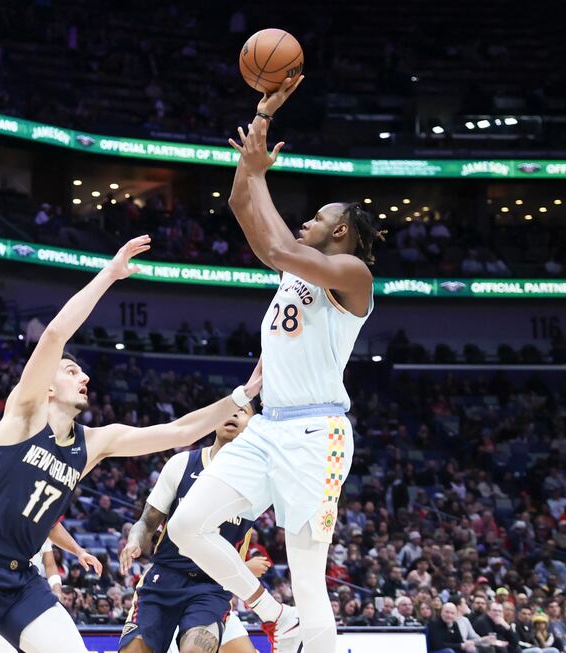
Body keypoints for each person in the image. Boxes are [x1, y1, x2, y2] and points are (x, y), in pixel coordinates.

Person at [0, 236, 262, 653]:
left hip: (22, 581)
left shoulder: (94, 442)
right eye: (71, 371)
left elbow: (180, 431)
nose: (83, 377)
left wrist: (240, 395)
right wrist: (110, 273)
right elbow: (55, 334)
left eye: (83, 373)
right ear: (48, 385)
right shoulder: (25, 414)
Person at [168, 76, 382, 653]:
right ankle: (271, 614)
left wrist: (260, 170)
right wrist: (259, 122)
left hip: (318, 433)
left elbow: (278, 247)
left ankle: (304, 629)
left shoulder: (353, 276)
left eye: (317, 216)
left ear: (340, 231)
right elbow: (242, 203)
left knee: (310, 579)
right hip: (267, 428)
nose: (306, 220)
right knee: (187, 526)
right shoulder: (297, 267)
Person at [117, 403, 266, 653]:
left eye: (243, 412)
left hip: (211, 585)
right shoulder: (183, 463)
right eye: (229, 408)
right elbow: (146, 522)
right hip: (165, 575)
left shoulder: (260, 481)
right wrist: (134, 540)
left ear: (255, 425)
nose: (233, 413)